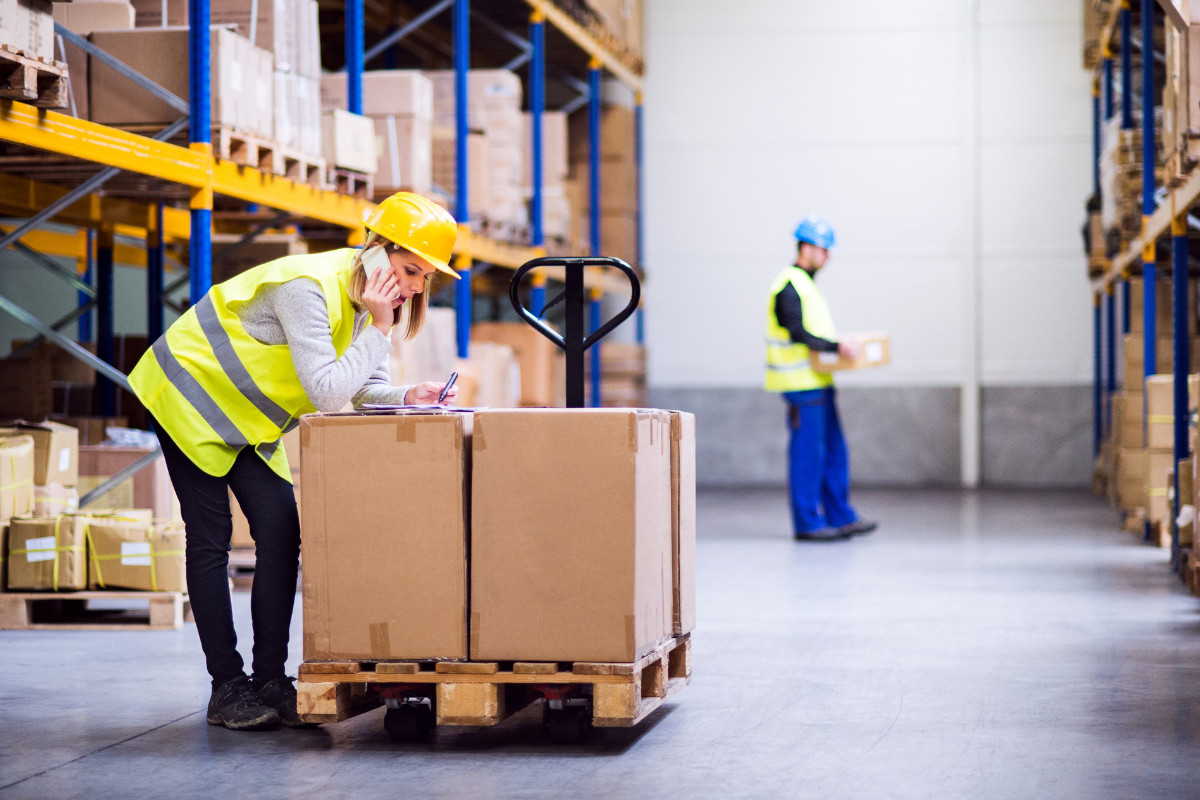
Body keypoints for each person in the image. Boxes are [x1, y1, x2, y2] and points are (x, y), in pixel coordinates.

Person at [128, 192, 461, 730]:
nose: (417, 286)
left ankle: (270, 680)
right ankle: (227, 687)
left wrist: (405, 394)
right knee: (211, 538)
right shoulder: (306, 288)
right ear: (377, 250)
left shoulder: (370, 302)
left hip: (246, 422)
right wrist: (378, 328)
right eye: (410, 270)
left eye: (426, 277)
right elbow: (329, 394)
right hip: (188, 395)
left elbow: (359, 388)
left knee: (282, 533)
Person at [764, 214, 878, 542]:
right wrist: (837, 346)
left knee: (834, 452)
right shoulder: (788, 285)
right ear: (806, 248)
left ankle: (840, 516)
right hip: (801, 388)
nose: (827, 256)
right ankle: (808, 523)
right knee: (808, 456)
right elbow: (797, 332)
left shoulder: (808, 284)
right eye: (823, 249)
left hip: (820, 384)